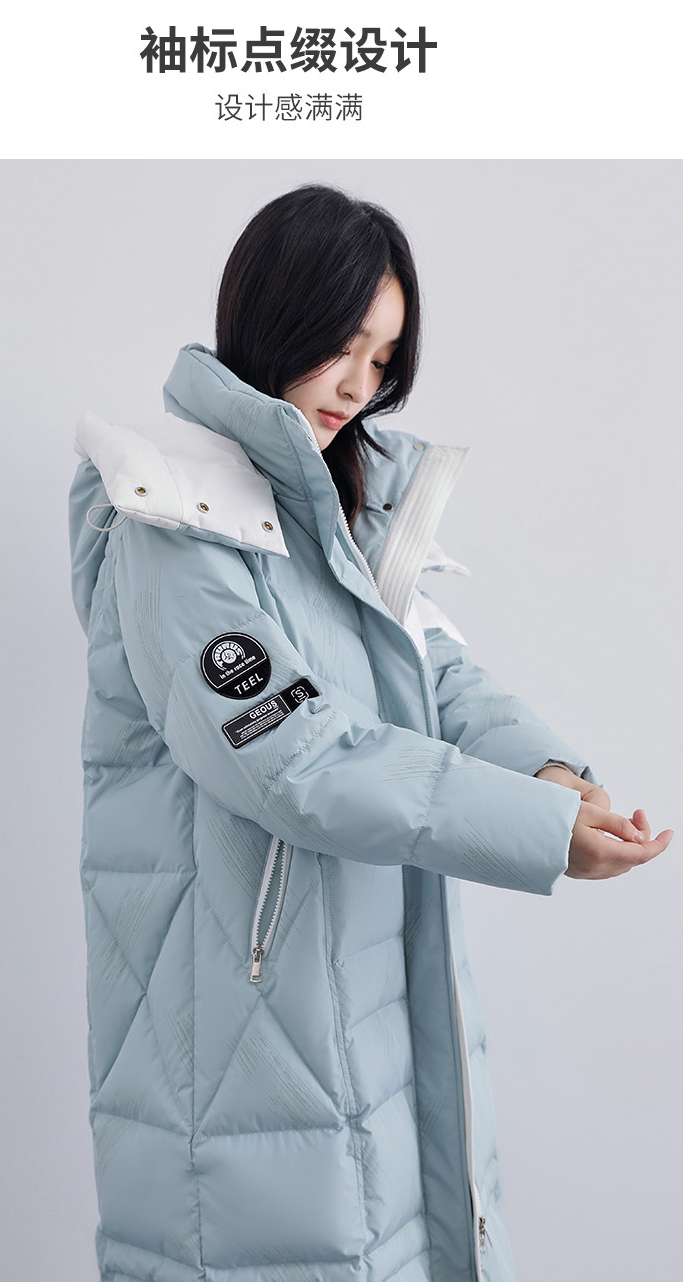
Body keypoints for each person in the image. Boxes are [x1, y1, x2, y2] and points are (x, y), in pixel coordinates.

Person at [68, 184, 673, 1282]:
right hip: (243, 1045)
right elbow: (296, 759)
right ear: (271, 320)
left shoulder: (342, 511)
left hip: (361, 1016)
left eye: (383, 359)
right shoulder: (170, 520)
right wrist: (538, 832)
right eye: (340, 347)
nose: (359, 387)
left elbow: (433, 674)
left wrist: (552, 775)